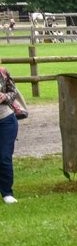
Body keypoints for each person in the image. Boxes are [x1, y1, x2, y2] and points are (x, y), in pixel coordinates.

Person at [0, 66, 24, 204]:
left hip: (6, 120)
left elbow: (13, 92)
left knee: (4, 156)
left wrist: (5, 96)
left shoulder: (3, 73)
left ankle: (7, 193)